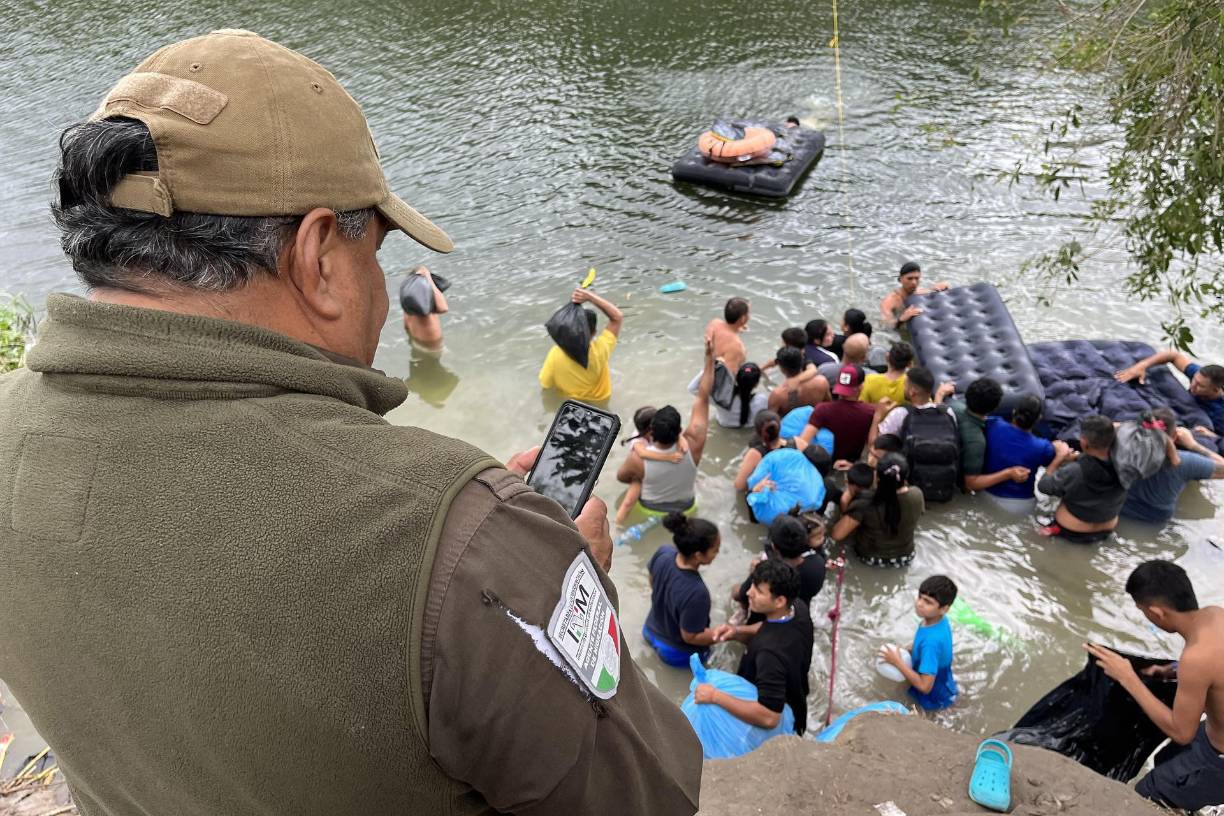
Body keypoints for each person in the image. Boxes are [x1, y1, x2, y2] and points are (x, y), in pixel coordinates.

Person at [0, 30, 700, 816]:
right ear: (320, 257)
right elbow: (655, 797)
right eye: (378, 250)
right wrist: (568, 586)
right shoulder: (468, 542)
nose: (381, 284)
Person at [1085, 561, 1224, 811]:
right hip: (1213, 733)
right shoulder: (1215, 615)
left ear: (1157, 613)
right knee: (1164, 759)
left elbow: (1182, 733)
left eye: (1143, 611)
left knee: (1144, 796)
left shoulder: (1196, 657)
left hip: (1219, 757)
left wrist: (1129, 677)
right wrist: (1168, 671)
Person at [701, 560, 815, 735]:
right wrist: (736, 631)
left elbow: (769, 717)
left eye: (759, 591)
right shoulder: (798, 608)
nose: (748, 592)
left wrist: (714, 696)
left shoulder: (769, 655)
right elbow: (771, 627)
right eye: (752, 585)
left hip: (780, 720)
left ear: (779, 601)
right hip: (797, 696)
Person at [619, 341, 713, 514]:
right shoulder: (694, 443)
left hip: (651, 509)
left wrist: (644, 475)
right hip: (687, 506)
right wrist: (709, 359)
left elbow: (622, 477)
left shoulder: (637, 458)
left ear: (651, 431)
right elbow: (703, 398)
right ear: (680, 431)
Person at [643, 513, 724, 668]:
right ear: (698, 555)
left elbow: (652, 582)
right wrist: (724, 634)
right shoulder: (697, 592)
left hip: (650, 630)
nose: (718, 553)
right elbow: (690, 636)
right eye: (715, 549)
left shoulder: (663, 553)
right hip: (675, 653)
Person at [870, 367, 960, 503]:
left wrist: (877, 416)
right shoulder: (948, 412)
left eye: (905, 384)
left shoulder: (901, 414)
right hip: (945, 486)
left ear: (913, 391)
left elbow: (875, 446)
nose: (904, 387)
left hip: (911, 489)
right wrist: (939, 398)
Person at [1120, 408, 1224, 524]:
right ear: (1175, 435)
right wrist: (1193, 445)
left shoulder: (1120, 447)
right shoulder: (1186, 461)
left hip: (1120, 512)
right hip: (1155, 522)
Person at [1037, 415, 1126, 543]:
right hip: (1107, 528)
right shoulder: (1128, 464)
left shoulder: (1074, 471)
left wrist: (1058, 458)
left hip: (1071, 530)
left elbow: (1044, 486)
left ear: (1083, 442)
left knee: (1032, 537)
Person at [831, 453, 925, 567]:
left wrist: (845, 498)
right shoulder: (917, 494)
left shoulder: (864, 504)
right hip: (907, 556)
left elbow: (837, 535)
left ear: (877, 478)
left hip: (870, 558)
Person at [880, 575, 959, 711]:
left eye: (928, 602)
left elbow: (925, 687)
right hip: (943, 680)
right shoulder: (936, 621)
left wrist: (897, 662)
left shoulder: (931, 642)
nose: (919, 604)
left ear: (943, 609)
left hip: (933, 698)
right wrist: (907, 649)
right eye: (920, 597)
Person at [732, 513, 827, 619]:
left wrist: (754, 573)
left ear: (774, 548)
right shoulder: (818, 564)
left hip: (764, 621)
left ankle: (742, 613)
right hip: (798, 614)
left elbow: (742, 594)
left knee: (736, 591)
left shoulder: (768, 573)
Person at [1115, 349, 1224, 439]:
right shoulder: (1200, 376)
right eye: (1194, 380)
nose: (1193, 386)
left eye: (1200, 386)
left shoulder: (1220, 411)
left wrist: (1213, 435)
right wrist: (1141, 366)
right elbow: (1174, 355)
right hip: (1180, 406)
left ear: (1215, 390)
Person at [538, 288, 623, 401]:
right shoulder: (600, 351)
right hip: (600, 401)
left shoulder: (555, 354)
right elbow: (617, 317)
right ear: (594, 332)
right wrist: (590, 297)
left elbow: (546, 384)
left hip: (573, 403)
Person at [948, 377, 1029, 494]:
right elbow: (971, 484)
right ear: (995, 407)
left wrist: (940, 395)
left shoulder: (952, 406)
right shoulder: (976, 441)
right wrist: (1008, 473)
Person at [981, 394, 1056, 513]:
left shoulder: (993, 424)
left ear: (1014, 411)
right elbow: (1050, 463)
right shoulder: (1043, 447)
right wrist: (1060, 454)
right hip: (1020, 505)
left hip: (985, 495)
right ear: (1038, 418)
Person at [800, 364, 876, 466]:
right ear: (861, 386)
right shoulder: (870, 412)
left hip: (823, 465)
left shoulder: (822, 409)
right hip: (851, 465)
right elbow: (873, 448)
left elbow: (803, 442)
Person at [734, 410, 801, 492]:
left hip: (771, 493)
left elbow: (739, 486)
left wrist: (755, 487)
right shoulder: (797, 442)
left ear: (758, 432)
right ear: (780, 426)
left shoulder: (755, 454)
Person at [691, 361, 767, 429]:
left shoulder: (722, 397)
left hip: (723, 429)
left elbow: (692, 388)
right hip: (748, 432)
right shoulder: (762, 400)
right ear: (756, 384)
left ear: (736, 378)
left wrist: (709, 367)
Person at [880, 261, 950, 329]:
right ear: (900, 279)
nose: (914, 282)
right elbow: (887, 326)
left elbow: (945, 284)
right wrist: (902, 319)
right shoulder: (890, 301)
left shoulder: (920, 292)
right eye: (909, 278)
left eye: (917, 278)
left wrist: (936, 290)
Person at [400, 265, 449, 353]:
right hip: (433, 349)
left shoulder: (409, 307)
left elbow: (406, 327)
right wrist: (427, 276)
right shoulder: (427, 308)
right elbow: (444, 308)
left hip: (416, 344)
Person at [767, 347, 829, 414]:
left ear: (781, 368)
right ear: (802, 361)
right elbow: (828, 405)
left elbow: (771, 421)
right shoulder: (822, 382)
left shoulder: (777, 395)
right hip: (814, 421)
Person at [706, 297, 751, 373]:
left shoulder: (714, 323)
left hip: (708, 367)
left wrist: (738, 327)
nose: (750, 316)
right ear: (743, 318)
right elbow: (729, 377)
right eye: (749, 313)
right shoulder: (737, 347)